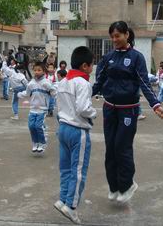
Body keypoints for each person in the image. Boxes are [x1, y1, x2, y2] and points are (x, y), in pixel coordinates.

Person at [92, 21, 163, 204]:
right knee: (110, 149)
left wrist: (155, 104)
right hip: (109, 109)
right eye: (112, 36)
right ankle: (114, 187)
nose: (114, 39)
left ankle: (127, 185)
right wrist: (81, 97)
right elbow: (98, 83)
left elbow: (143, 82)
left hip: (128, 110)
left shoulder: (136, 57)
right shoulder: (107, 57)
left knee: (121, 148)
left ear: (126, 35)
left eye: (118, 36)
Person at [53, 46, 97, 224]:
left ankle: (63, 199)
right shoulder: (83, 83)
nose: (92, 68)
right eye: (92, 65)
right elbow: (83, 108)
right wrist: (94, 113)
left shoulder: (63, 82)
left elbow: (58, 106)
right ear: (85, 66)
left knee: (65, 168)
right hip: (78, 130)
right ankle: (71, 206)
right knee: (78, 171)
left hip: (62, 128)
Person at [18, 62, 56, 153]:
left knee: (38, 126)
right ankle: (35, 143)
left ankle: (42, 143)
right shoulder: (31, 83)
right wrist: (19, 94)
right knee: (31, 126)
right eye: (35, 70)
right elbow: (27, 93)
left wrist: (52, 91)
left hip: (42, 109)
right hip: (33, 109)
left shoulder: (46, 82)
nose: (36, 72)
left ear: (43, 71)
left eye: (39, 70)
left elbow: (54, 92)